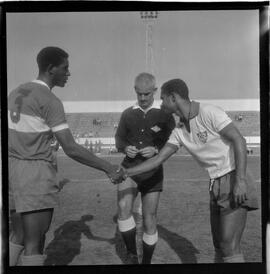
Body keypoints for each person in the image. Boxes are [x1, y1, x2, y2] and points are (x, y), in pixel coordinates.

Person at [8, 46, 124, 266]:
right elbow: (70, 148)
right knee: (34, 244)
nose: (68, 73)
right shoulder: (50, 101)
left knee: (17, 236)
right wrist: (109, 168)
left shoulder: (15, 92)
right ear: (51, 69)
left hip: (11, 170)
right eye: (65, 68)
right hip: (35, 173)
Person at [122, 78, 259, 263]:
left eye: (163, 98)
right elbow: (158, 159)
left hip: (234, 176)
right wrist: (126, 173)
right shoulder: (179, 130)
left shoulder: (209, 112)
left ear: (173, 97)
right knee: (219, 246)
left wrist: (240, 181)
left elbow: (239, 140)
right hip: (215, 183)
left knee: (230, 246)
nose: (161, 103)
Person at [115, 73, 175, 264]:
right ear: (135, 91)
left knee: (149, 217)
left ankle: (146, 262)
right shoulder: (127, 114)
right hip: (129, 168)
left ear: (155, 91)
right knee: (123, 208)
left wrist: (156, 149)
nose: (142, 98)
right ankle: (132, 254)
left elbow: (173, 140)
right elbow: (119, 139)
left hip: (152, 172)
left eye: (147, 94)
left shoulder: (164, 115)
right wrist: (125, 148)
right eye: (139, 93)